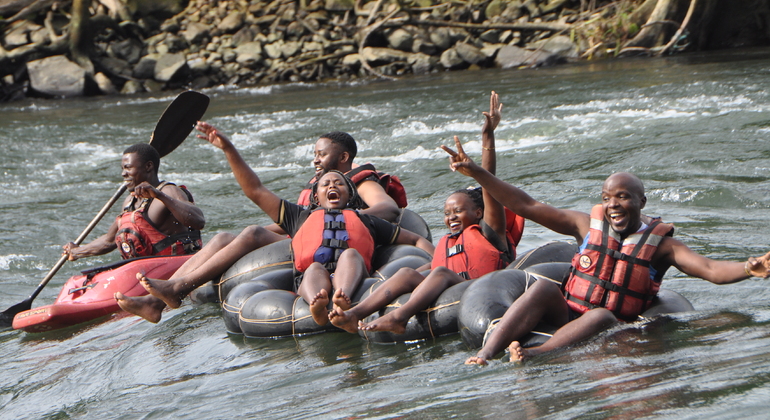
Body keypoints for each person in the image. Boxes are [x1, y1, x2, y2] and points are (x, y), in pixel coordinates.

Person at [444, 142, 770, 364]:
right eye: (607, 197)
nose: (613, 204)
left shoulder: (663, 248)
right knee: (542, 286)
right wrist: (477, 173)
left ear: (641, 202)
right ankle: (486, 353)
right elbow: (526, 204)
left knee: (601, 314)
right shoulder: (586, 226)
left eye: (623, 196)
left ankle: (537, 355)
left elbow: (710, 269)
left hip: (611, 323)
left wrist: (747, 268)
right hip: (566, 312)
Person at [117, 125, 433, 325]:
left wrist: (355, 217)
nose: (316, 161)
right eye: (316, 156)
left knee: (254, 234)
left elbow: (389, 208)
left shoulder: (357, 183)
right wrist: (314, 220)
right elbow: (258, 192)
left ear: (344, 157)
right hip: (313, 243)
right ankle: (161, 296)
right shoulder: (316, 197)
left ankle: (172, 291)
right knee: (233, 235)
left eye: (322, 154)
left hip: (349, 245)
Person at [329, 91, 521, 334]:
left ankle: (399, 317)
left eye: (458, 211)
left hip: (484, 291)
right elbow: (430, 269)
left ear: (479, 213)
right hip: (450, 286)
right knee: (408, 272)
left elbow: (489, 185)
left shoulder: (491, 234)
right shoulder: (452, 242)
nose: (450, 217)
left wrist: (488, 135)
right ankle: (354, 314)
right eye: (447, 212)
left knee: (440, 272)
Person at [62, 143, 205, 261]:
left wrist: (159, 196)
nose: (123, 174)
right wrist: (78, 251)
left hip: (176, 266)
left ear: (148, 167)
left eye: (128, 168)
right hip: (144, 270)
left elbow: (198, 220)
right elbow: (109, 240)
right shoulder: (129, 201)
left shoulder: (169, 191)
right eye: (123, 169)